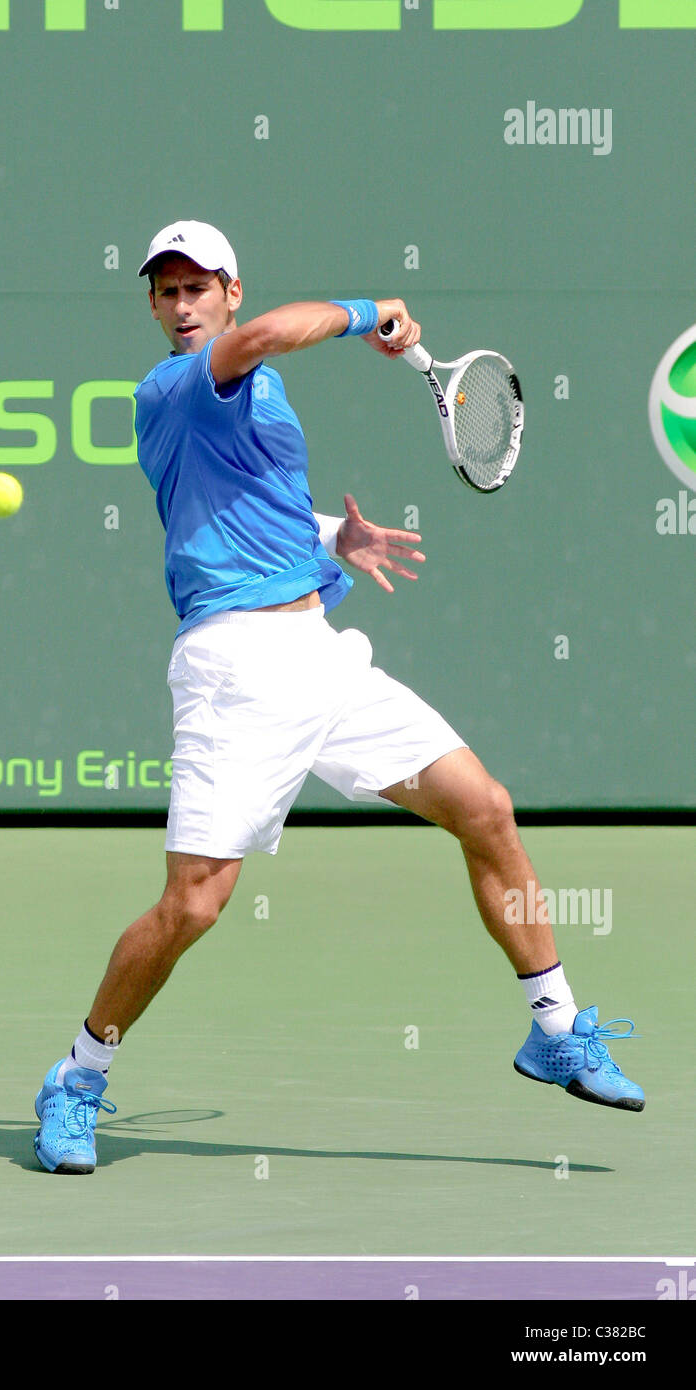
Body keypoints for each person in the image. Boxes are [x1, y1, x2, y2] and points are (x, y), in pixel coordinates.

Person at [33, 220, 643, 1175]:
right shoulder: (181, 384)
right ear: (156, 307)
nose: (184, 305)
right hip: (234, 668)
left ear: (232, 288)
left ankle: (555, 1026)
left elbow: (245, 510)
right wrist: (374, 314)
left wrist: (329, 542)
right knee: (193, 907)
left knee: (485, 809)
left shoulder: (263, 402)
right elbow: (272, 337)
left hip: (319, 653)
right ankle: (77, 1077)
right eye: (167, 291)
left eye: (201, 287)